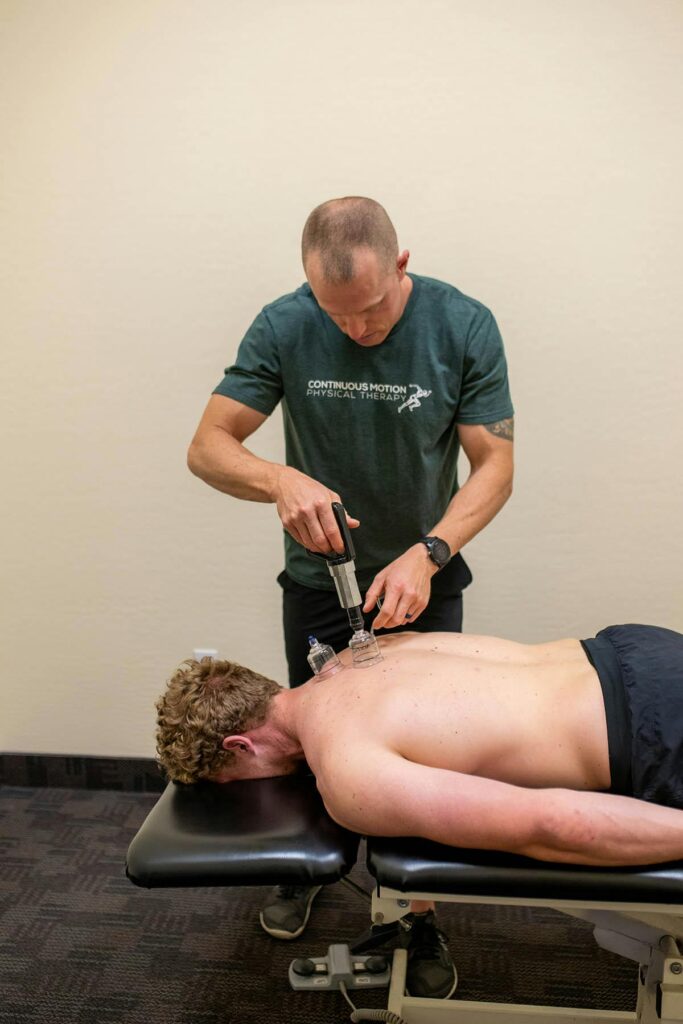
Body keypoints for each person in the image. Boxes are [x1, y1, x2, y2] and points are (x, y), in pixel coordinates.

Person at [186, 195, 513, 989]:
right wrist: (278, 479)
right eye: (335, 314)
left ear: (400, 266)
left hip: (422, 579)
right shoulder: (284, 323)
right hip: (317, 580)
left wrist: (429, 552)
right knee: (304, 734)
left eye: (369, 310)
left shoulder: (461, 325)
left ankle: (414, 916)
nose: (355, 329)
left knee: (425, 752)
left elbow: (495, 467)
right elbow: (207, 447)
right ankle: (305, 867)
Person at [157, 624, 683, 993]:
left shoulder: (347, 771)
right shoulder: (356, 653)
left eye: (232, 781)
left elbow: (551, 825)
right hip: (633, 649)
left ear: (240, 745)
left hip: (656, 733)